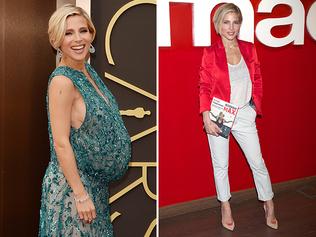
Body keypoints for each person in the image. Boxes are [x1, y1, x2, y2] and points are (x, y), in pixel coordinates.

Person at [39, 4, 131, 236]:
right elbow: (60, 142)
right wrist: (80, 195)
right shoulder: (62, 81)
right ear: (56, 41)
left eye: (83, 30)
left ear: (91, 33)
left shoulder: (87, 71)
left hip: (93, 187)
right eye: (68, 33)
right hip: (72, 192)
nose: (78, 39)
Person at [199, 3, 278, 231]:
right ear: (218, 25)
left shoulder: (249, 48)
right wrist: (206, 116)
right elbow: (204, 85)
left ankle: (268, 203)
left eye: (235, 22)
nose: (231, 27)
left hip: (244, 112)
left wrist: (253, 107)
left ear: (240, 24)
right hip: (220, 113)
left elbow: (258, 78)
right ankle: (225, 206)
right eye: (226, 22)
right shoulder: (210, 52)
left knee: (258, 162)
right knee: (221, 165)